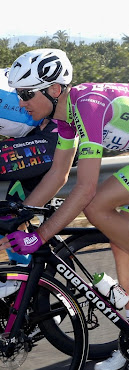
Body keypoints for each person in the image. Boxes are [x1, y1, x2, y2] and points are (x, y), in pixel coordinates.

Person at [0, 48, 129, 370]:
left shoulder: (88, 104)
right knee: (119, 235)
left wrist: (39, 235)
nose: (22, 101)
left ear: (54, 90)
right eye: (18, 94)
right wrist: (22, 215)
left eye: (27, 93)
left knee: (97, 207)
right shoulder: (65, 119)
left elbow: (85, 190)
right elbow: (58, 174)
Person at [0, 66, 60, 269]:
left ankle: (24, 278)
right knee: (9, 215)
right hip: (34, 136)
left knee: (12, 218)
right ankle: (25, 275)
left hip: (53, 136)